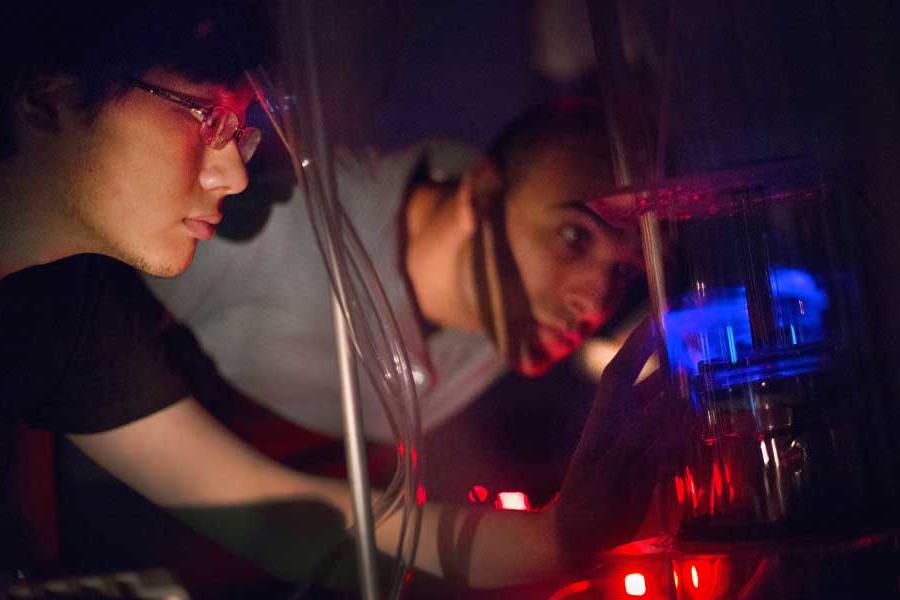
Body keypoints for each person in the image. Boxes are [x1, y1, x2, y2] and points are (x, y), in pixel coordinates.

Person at [0, 0, 684, 592]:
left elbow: (278, 514)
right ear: (48, 101)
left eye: (238, 131)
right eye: (204, 118)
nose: (236, 176)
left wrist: (558, 539)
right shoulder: (260, 232)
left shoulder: (67, 317)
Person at [148, 100, 646, 441]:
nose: (597, 301)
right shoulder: (275, 226)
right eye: (574, 237)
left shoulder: (510, 324)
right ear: (479, 193)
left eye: (624, 272)